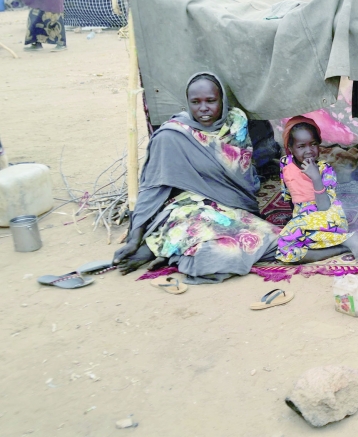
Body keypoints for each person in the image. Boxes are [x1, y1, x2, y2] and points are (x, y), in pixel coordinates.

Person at [113, 72, 279, 281]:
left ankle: (166, 250)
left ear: (222, 100)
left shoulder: (235, 124)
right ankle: (156, 248)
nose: (203, 108)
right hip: (186, 206)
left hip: (231, 206)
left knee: (271, 239)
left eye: (211, 101)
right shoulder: (172, 135)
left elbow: (242, 175)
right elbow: (152, 188)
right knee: (206, 247)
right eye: (195, 102)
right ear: (187, 103)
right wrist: (133, 239)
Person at [275, 116, 358, 263]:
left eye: (313, 144)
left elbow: (325, 207)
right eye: (301, 146)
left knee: (287, 242)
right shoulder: (285, 164)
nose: (309, 151)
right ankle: (343, 245)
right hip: (304, 218)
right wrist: (295, 220)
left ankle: (344, 238)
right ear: (290, 148)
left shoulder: (325, 169)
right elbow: (289, 194)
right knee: (288, 252)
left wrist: (316, 178)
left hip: (328, 216)